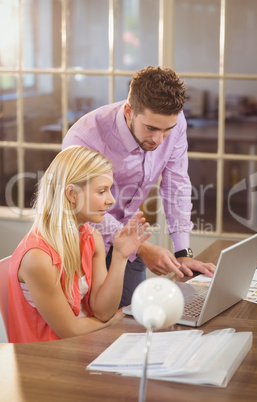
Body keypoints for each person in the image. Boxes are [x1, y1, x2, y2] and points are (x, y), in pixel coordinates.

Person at [62, 66, 215, 307]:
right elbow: (81, 208)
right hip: (83, 241)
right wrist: (142, 247)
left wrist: (182, 253)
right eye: (151, 128)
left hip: (130, 239)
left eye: (167, 130)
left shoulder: (175, 122)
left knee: (132, 321)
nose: (158, 140)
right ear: (128, 111)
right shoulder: (85, 138)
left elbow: (176, 185)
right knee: (92, 328)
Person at [8, 145, 151, 343]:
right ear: (72, 194)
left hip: (84, 345)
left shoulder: (92, 237)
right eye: (102, 191)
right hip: (47, 359)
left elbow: (102, 312)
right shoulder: (38, 258)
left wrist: (120, 257)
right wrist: (119, 319)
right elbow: (71, 331)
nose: (111, 200)